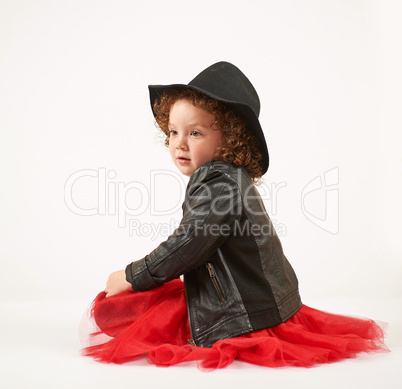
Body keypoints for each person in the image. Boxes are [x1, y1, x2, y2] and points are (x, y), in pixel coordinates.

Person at [81, 61, 388, 369]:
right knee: (148, 303)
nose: (179, 143)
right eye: (173, 132)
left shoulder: (220, 185)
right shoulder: (225, 176)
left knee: (117, 307)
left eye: (195, 133)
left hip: (243, 314)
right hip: (248, 297)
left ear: (229, 138)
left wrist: (134, 276)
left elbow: (187, 244)